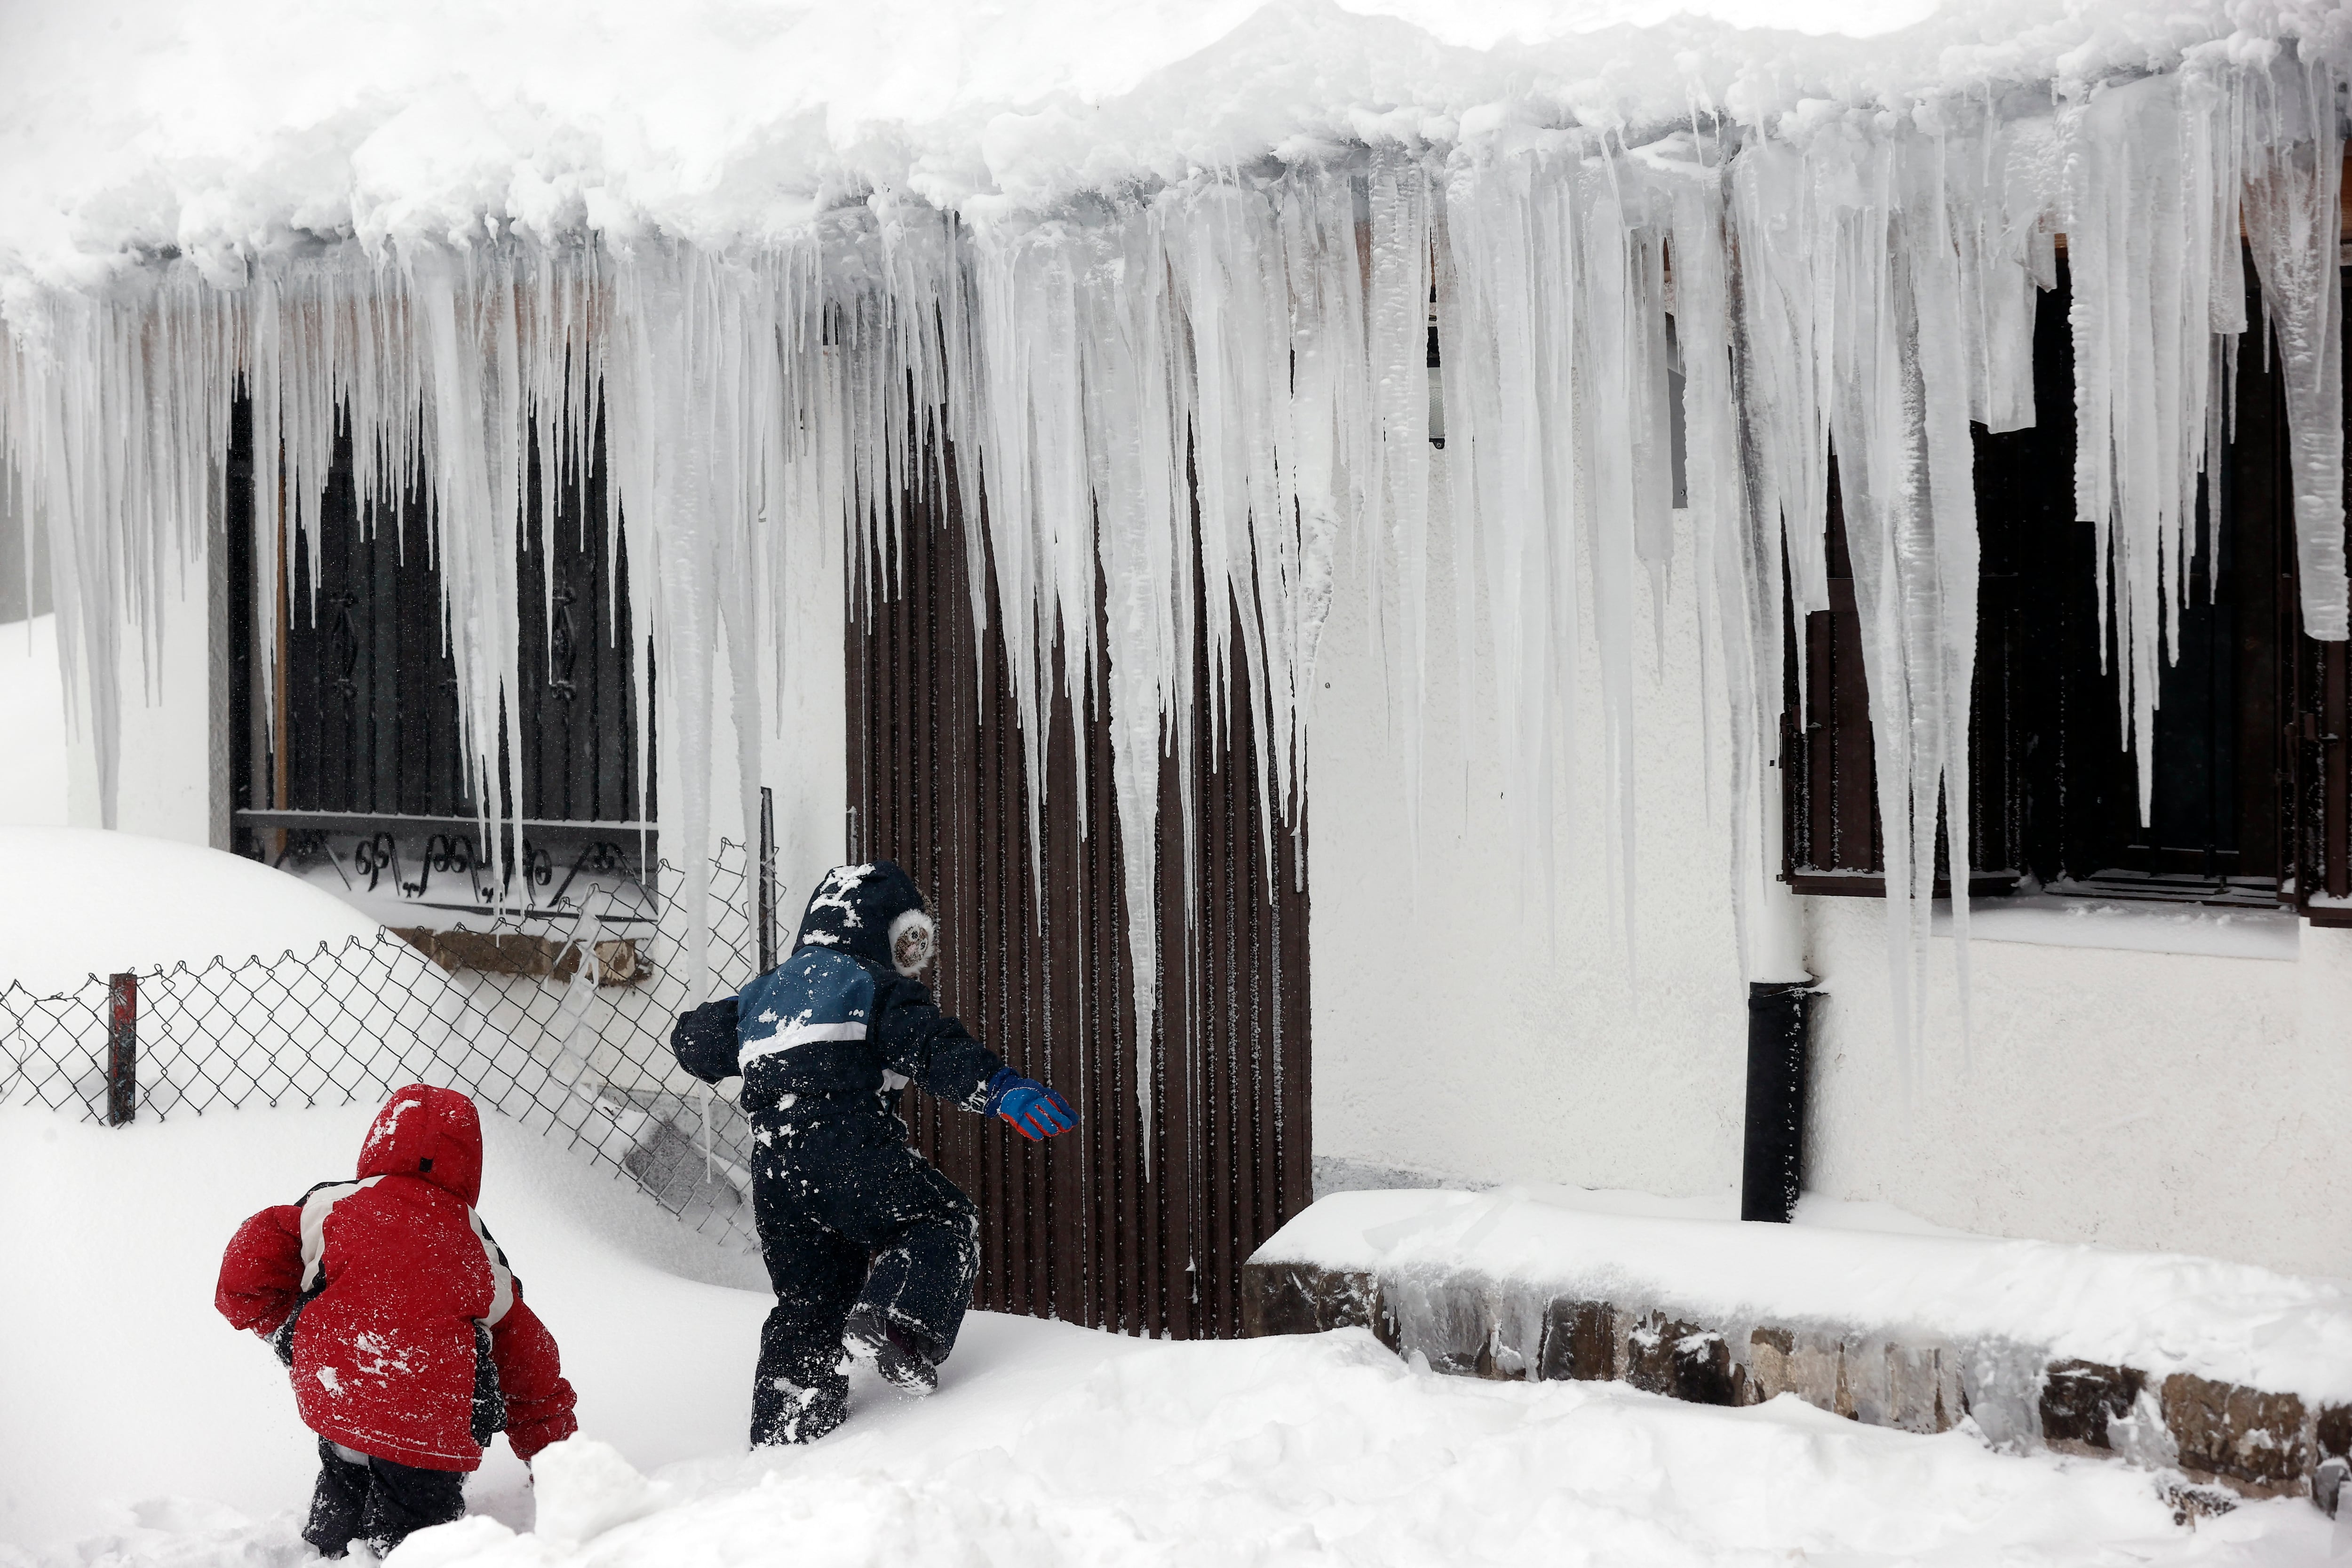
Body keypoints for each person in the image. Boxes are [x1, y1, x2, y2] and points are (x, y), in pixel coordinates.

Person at [670, 860, 1076, 1446]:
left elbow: (696, 1042)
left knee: (810, 1298)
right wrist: (999, 1088)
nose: (911, 957)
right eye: (907, 942)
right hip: (847, 1145)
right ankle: (897, 1324)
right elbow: (931, 1046)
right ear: (881, 931)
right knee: (940, 1218)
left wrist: (704, 1031)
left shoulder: (762, 993)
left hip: (777, 1169)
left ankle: (786, 1427)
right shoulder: (869, 984)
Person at [215, 1084, 578, 1559]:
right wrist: (559, 1463)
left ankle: (327, 1549)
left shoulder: (329, 1206)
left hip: (339, 1393)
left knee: (344, 1482)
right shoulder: (479, 1249)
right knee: (413, 1540)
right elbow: (529, 1369)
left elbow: (244, 1269)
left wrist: (291, 1334)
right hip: (430, 1427)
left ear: (377, 1143)